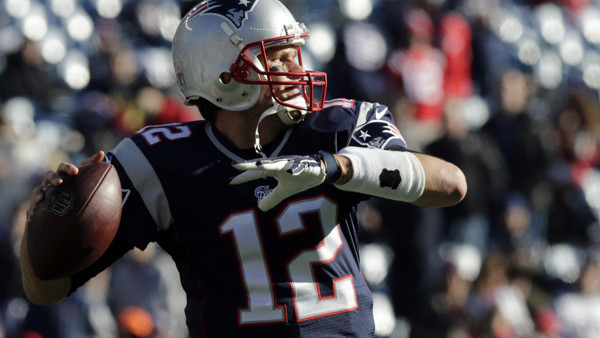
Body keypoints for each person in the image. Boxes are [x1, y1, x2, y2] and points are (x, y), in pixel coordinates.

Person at [20, 0, 467, 337]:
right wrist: (43, 226)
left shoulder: (337, 129)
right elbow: (46, 289)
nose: (298, 69)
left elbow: (451, 185)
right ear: (224, 75)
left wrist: (337, 167)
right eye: (279, 57)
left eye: (295, 53)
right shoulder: (158, 162)